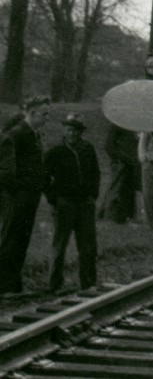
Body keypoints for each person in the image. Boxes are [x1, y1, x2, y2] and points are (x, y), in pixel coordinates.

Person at [43, 113, 100, 292]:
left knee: (88, 246)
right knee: (59, 245)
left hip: (85, 204)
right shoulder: (56, 150)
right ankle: (54, 285)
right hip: (64, 203)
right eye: (68, 130)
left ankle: (88, 283)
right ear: (64, 130)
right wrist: (53, 198)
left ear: (80, 132)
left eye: (75, 130)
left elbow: (96, 173)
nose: (71, 134)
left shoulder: (87, 149)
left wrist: (93, 195)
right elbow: (44, 176)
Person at [0, 96, 50, 294]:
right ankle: (4, 285)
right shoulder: (17, 134)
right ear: (32, 113)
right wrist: (19, 190)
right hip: (18, 196)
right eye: (44, 114)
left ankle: (13, 284)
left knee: (22, 239)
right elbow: (6, 169)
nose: (47, 118)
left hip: (30, 195)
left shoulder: (34, 134)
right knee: (11, 238)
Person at [98, 124, 138, 224]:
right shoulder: (117, 125)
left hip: (131, 162)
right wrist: (117, 159)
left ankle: (125, 216)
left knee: (127, 190)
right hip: (121, 162)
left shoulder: (133, 126)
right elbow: (108, 145)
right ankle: (110, 216)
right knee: (116, 189)